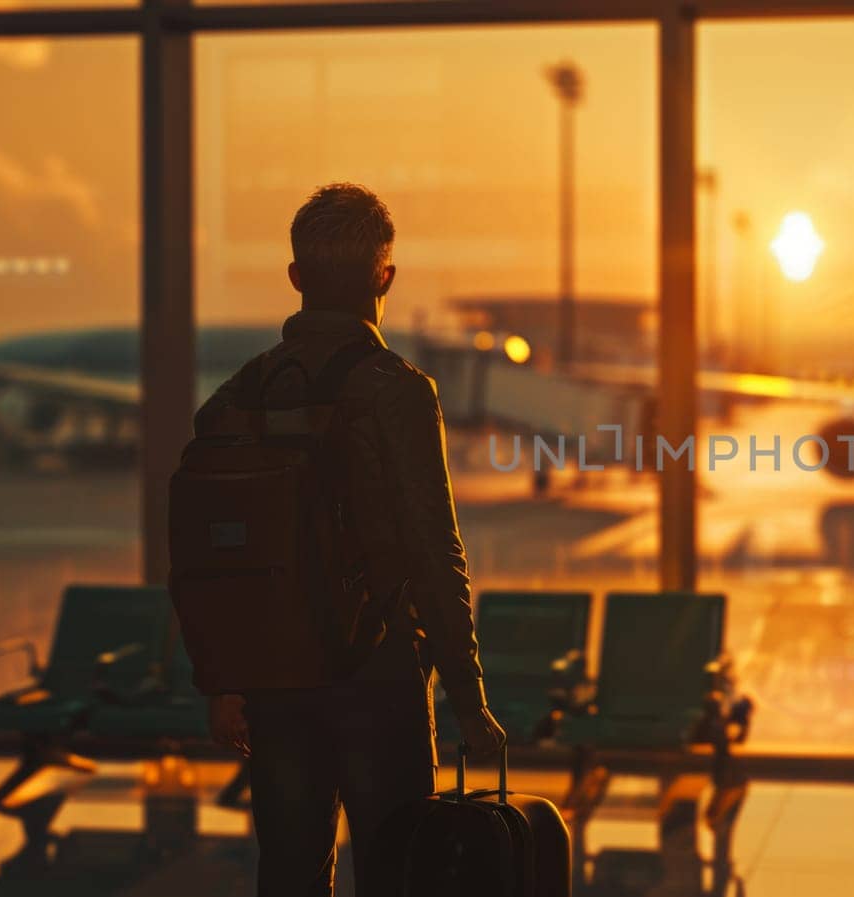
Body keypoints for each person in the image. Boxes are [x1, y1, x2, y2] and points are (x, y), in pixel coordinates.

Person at [194, 182, 506, 897]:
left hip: (274, 673)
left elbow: (212, 548)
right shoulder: (397, 391)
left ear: (297, 278)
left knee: (291, 872)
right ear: (384, 276)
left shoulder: (241, 394)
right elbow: (434, 549)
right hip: (379, 673)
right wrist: (467, 694)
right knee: (397, 870)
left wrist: (220, 678)